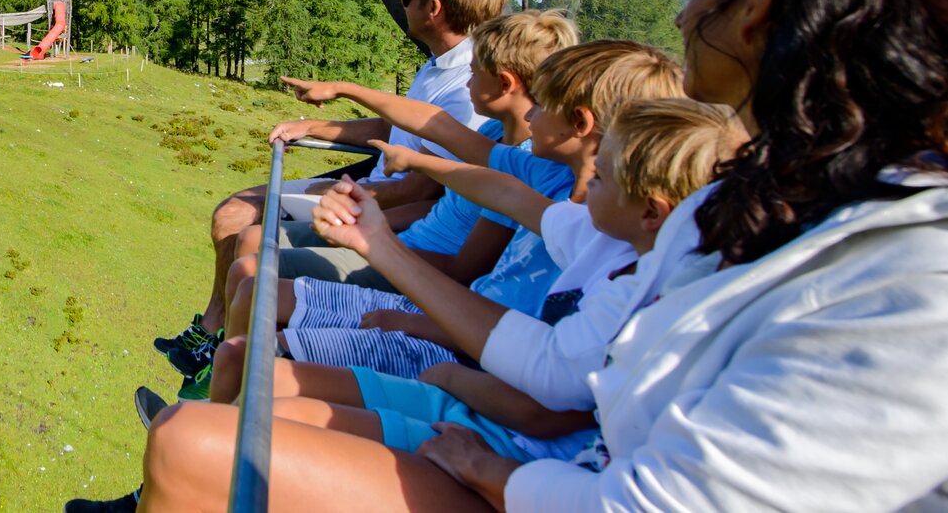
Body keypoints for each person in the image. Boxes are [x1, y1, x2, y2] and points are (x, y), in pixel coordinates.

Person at [135, 0, 948, 513]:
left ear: (756, 3)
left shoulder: (906, 282)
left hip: (541, 470)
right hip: (536, 452)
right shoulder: (756, 202)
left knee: (196, 443)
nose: (679, 14)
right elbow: (547, 280)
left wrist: (503, 473)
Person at [212, 99, 746, 475]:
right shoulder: (603, 240)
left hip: (506, 438)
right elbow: (509, 194)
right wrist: (420, 165)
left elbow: (548, 400)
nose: (587, 192)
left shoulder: (638, 294)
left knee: (260, 410)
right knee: (259, 399)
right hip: (480, 397)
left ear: (651, 212)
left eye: (603, 178)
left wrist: (443, 370)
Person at [174, 11, 577, 400]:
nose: (468, 77)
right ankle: (216, 394)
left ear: (505, 83)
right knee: (251, 277)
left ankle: (216, 406)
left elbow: (467, 263)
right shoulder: (496, 137)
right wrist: (356, 103)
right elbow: (438, 130)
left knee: (253, 288)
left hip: (422, 281)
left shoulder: (533, 175)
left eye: (475, 70)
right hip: (409, 259)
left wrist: (377, 243)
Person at [154, 0, 507, 379]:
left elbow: (419, 191)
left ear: (433, 10)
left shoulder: (466, 90)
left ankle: (220, 352)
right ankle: (215, 338)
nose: (403, 4)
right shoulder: (438, 66)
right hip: (373, 196)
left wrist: (334, 199)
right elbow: (395, 127)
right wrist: (315, 126)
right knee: (234, 217)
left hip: (377, 205)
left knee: (240, 224)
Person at [249, 41, 682, 382]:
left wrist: (384, 253)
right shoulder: (557, 190)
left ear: (581, 124)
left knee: (266, 361)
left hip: (473, 356)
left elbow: (543, 352)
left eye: (543, 105)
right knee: (254, 307)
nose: (531, 113)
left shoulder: (602, 237)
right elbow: (493, 179)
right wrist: (418, 161)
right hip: (461, 328)